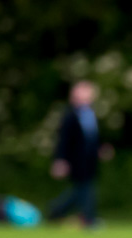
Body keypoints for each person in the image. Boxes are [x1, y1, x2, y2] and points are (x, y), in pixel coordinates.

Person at [47, 81, 113, 227]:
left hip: (90, 162)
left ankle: (56, 211)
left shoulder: (91, 114)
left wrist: (100, 150)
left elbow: (92, 139)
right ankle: (89, 219)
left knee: (79, 192)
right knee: (86, 190)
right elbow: (63, 140)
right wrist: (60, 160)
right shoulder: (70, 116)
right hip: (75, 161)